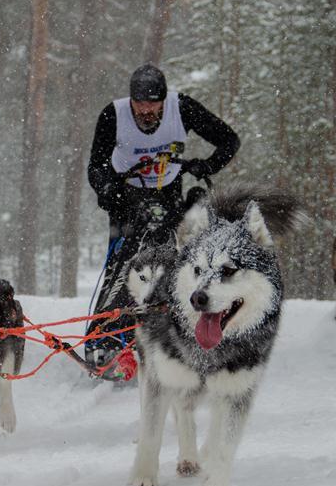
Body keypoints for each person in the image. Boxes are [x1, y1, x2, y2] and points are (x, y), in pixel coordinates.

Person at [84, 63, 240, 374]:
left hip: (168, 194)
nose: (145, 111)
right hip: (125, 197)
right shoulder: (114, 114)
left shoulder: (181, 108)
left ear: (163, 100)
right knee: (125, 264)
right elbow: (96, 166)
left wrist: (206, 166)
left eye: (152, 104)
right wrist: (106, 189)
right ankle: (108, 340)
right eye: (139, 104)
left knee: (172, 263)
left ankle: (172, 336)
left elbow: (229, 140)